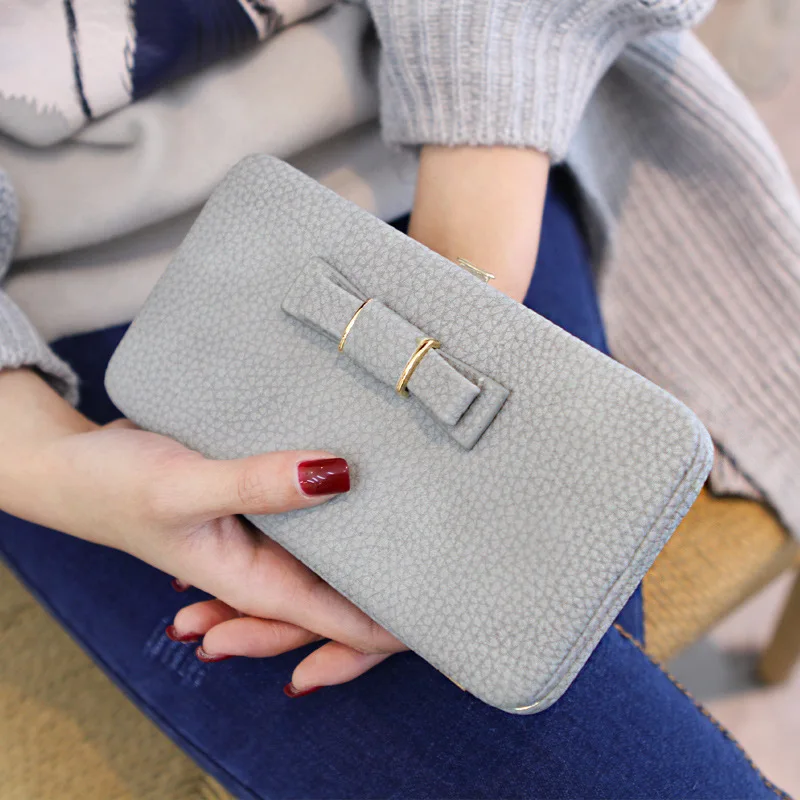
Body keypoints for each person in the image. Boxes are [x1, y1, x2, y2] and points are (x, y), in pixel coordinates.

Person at [0, 0, 798, 796]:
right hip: (71, 309)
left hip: (452, 123)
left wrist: (452, 295)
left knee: (543, 665)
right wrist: (49, 460)